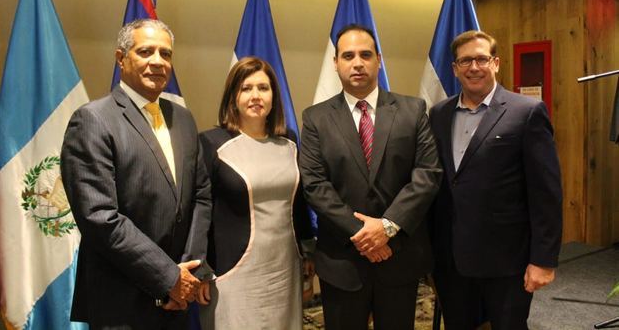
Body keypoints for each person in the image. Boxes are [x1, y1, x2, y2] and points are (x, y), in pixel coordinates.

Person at [61, 19, 212, 330]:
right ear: (121, 59)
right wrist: (168, 277)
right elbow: (100, 217)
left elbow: (200, 194)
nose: (157, 61)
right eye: (146, 52)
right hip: (123, 303)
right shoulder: (93, 120)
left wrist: (189, 271)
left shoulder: (182, 118)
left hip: (180, 299)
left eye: (165, 54)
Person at [299, 24, 442, 330]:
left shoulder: (412, 110)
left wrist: (388, 228)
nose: (358, 62)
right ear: (336, 63)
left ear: (379, 59)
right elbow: (314, 185)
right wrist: (367, 236)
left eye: (366, 54)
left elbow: (427, 175)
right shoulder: (315, 118)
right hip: (342, 260)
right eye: (348, 56)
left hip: (400, 257)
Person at [429, 30, 563, 329]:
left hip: (507, 261)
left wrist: (543, 259)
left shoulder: (526, 113)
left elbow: (546, 192)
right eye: (465, 61)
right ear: (454, 68)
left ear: (496, 63)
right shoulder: (439, 114)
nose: (473, 67)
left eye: (481, 59)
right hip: (452, 259)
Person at [198, 57, 314, 329]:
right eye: (246, 88)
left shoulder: (289, 143)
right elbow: (201, 209)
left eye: (263, 88)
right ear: (233, 96)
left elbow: (298, 204)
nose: (255, 96)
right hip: (233, 271)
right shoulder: (212, 144)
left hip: (285, 267)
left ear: (274, 95)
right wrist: (201, 267)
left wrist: (308, 251)